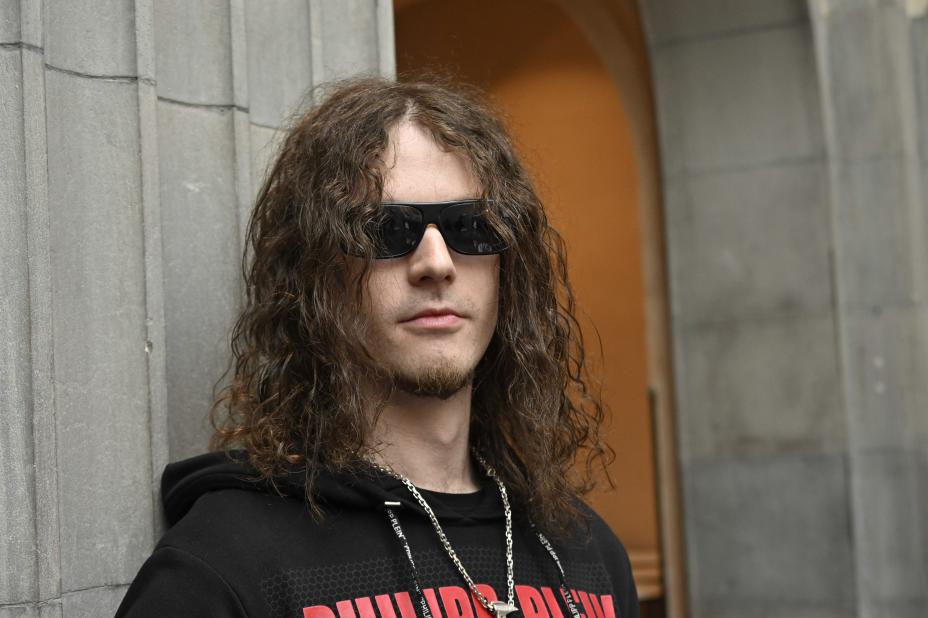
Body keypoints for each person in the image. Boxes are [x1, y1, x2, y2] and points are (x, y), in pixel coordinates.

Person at [116, 77, 639, 618]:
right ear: (317, 279)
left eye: (470, 227)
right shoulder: (225, 565)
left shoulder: (588, 558)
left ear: (508, 266)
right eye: (386, 230)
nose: (436, 263)